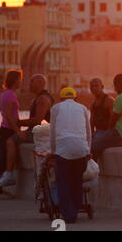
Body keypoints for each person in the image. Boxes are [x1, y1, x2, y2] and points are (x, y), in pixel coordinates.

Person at [0, 74, 54, 187]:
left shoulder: (42, 98)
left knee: (10, 141)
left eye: (32, 81)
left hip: (38, 132)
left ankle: (8, 175)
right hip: (36, 130)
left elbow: (38, 120)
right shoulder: (38, 97)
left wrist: (19, 122)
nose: (28, 83)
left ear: (40, 83)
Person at [47, 87, 91, 223]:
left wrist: (53, 152)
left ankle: (69, 214)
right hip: (81, 150)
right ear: (75, 98)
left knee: (63, 182)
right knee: (77, 180)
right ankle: (76, 207)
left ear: (60, 99)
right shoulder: (83, 108)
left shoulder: (56, 108)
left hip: (63, 150)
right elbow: (89, 132)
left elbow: (53, 131)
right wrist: (88, 151)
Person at [0, 70, 22, 199]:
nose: (20, 82)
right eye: (19, 79)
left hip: (4, 129)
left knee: (2, 155)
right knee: (3, 157)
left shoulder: (6, 93)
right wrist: (18, 131)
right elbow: (8, 115)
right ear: (14, 80)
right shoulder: (11, 95)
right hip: (8, 130)